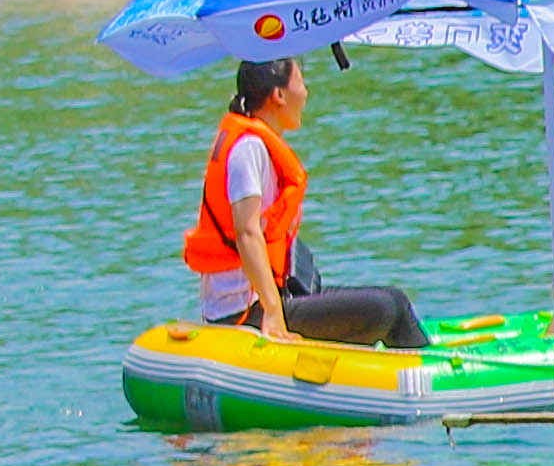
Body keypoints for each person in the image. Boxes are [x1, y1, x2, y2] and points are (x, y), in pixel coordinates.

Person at [178, 57, 427, 347]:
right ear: (279, 95)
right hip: (244, 312)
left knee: (391, 298)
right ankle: (430, 382)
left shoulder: (256, 142)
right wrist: (272, 311)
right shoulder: (248, 149)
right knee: (389, 308)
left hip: (271, 297)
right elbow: (246, 232)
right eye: (301, 82)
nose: (306, 92)